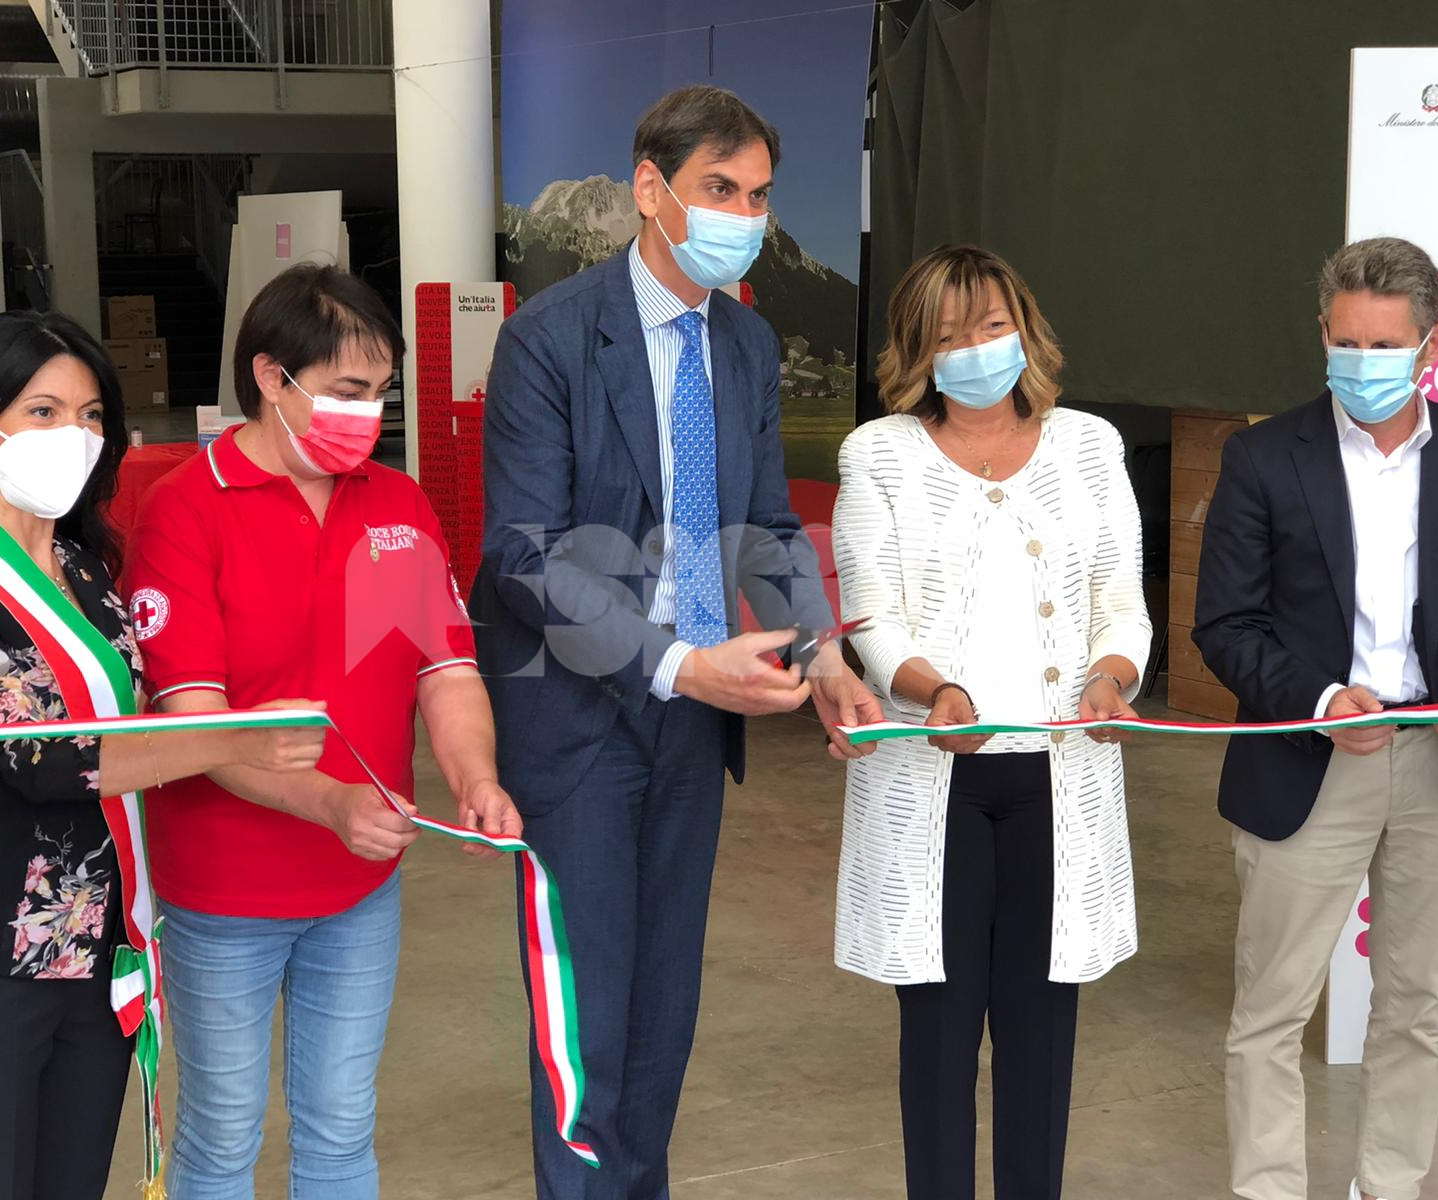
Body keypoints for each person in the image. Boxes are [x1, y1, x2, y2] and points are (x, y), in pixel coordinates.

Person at [475, 84, 882, 1199]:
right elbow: (523, 555)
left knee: (662, 1021)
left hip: (693, 733)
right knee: (587, 1025)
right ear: (650, 190)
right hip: (579, 725)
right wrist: (678, 663)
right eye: (720, 189)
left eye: (758, 196)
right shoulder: (549, 339)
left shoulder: (745, 342)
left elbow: (765, 527)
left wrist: (821, 652)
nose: (743, 216)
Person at [0, 311, 325, 1200]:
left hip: (99, 961)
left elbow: (141, 712)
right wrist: (239, 735)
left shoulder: (88, 570)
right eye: (43, 412)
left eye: (91, 415)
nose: (76, 435)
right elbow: (43, 761)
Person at [123, 264, 521, 1199]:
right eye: (347, 390)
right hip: (226, 888)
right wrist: (332, 803)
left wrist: (476, 778)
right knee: (222, 1135)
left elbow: (444, 670)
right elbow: (197, 721)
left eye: (381, 392)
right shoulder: (187, 509)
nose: (369, 414)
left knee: (342, 1129)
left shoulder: (393, 504)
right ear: (271, 376)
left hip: (359, 887)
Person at [831, 245, 1152, 1200]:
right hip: (935, 785)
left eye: (992, 326)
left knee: (1040, 1037)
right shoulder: (878, 454)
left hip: (1060, 779)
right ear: (917, 352)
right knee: (936, 1040)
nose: (976, 349)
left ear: (1025, 330)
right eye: (949, 335)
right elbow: (871, 617)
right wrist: (932, 689)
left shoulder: (1090, 446)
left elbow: (1121, 602)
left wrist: (1113, 675)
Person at [1193, 236, 1438, 1200]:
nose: (1362, 364)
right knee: (1271, 1010)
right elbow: (1224, 624)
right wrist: (1320, 702)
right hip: (1306, 760)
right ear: (1322, 333)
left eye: (1384, 346)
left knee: (1414, 1008)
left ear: (1432, 345)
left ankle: (1390, 1186)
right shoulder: (1261, 457)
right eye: (1345, 342)